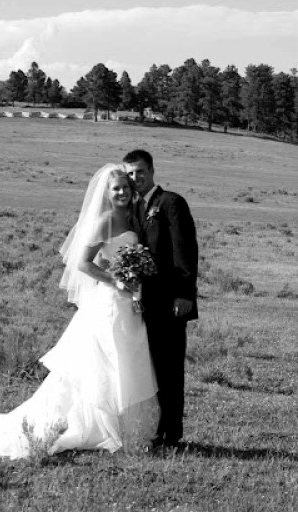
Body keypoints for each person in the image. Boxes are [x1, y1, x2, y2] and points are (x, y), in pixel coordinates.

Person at [0, 164, 158, 459]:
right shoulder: (104, 221)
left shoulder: (131, 217)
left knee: (124, 359)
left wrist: (130, 278)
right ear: (107, 193)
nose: (122, 192)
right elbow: (83, 263)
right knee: (105, 360)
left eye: (125, 187)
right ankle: (98, 426)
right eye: (116, 188)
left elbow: (114, 258)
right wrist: (115, 280)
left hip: (127, 302)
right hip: (109, 301)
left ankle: (121, 425)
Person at [123, 149, 198, 450]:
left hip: (170, 301)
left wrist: (185, 294)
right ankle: (152, 428)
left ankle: (171, 434)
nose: (135, 178)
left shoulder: (171, 203)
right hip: (141, 303)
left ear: (152, 170)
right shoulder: (132, 207)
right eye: (130, 173)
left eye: (140, 171)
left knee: (170, 368)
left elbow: (185, 250)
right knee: (149, 367)